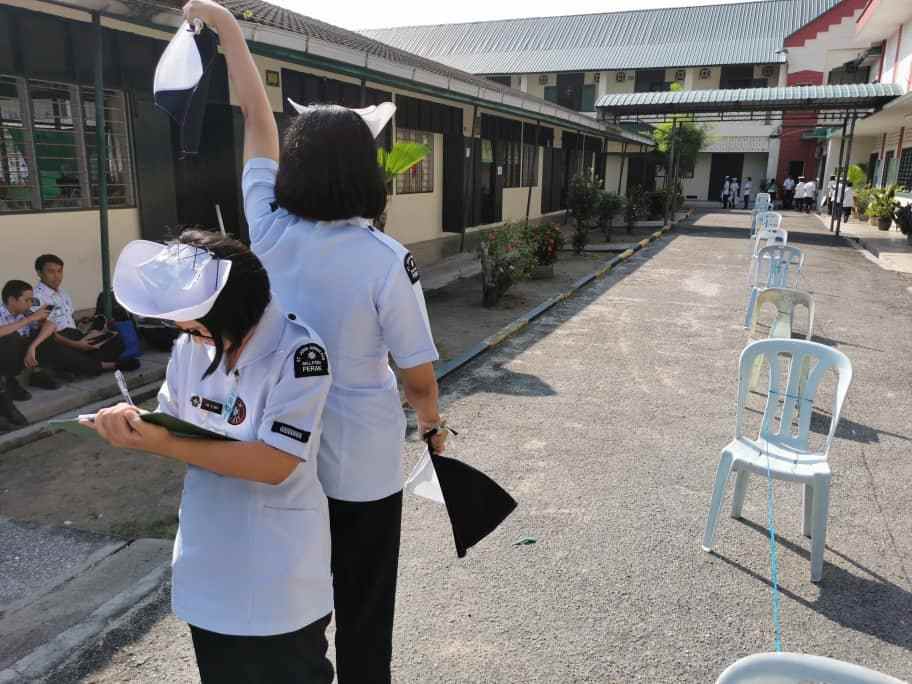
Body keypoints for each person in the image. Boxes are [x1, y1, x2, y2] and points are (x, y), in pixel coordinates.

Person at [183, 2, 446, 681]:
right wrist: (433, 427)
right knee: (364, 605)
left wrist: (230, 32)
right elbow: (417, 374)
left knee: (302, 602)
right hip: (361, 465)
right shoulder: (385, 257)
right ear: (366, 169)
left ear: (298, 165)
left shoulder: (267, 230)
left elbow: (257, 119)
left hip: (282, 451)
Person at [86, 231, 335, 684]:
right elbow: (172, 419)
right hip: (210, 556)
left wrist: (167, 442)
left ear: (236, 312)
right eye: (187, 329)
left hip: (279, 566)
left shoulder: (300, 354)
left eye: (199, 327)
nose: (193, 337)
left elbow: (274, 463)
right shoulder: (191, 348)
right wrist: (135, 423)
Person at [33, 254, 137, 377]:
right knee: (60, 352)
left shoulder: (63, 293)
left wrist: (82, 322)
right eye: (51, 272)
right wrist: (78, 345)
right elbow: (45, 332)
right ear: (39, 273)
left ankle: (77, 367)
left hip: (75, 335)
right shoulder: (35, 297)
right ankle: (109, 365)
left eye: (59, 271)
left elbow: (70, 319)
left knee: (116, 341)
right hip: (57, 340)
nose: (56, 276)